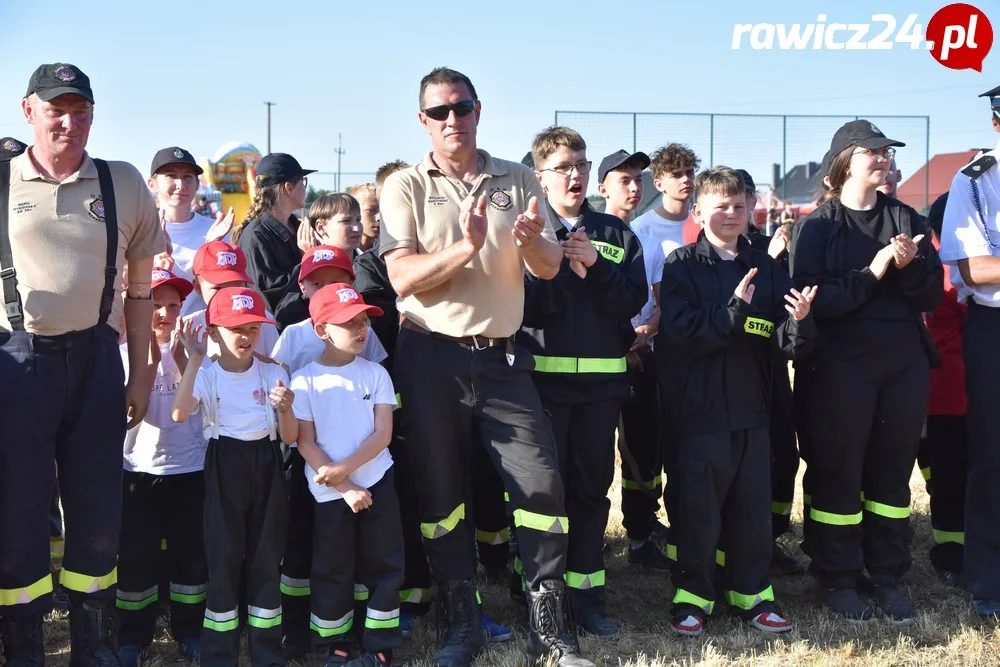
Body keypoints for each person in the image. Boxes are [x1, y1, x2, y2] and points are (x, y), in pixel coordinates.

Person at [379, 67, 591, 667]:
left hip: (502, 359)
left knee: (541, 484)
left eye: (462, 107)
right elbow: (401, 277)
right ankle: (460, 626)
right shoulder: (404, 185)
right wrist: (467, 247)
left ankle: (550, 630)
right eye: (440, 111)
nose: (453, 119)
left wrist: (530, 243)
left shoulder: (520, 177)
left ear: (478, 111)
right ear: (423, 120)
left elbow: (549, 268)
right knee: (442, 495)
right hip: (430, 358)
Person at [0, 63, 164, 664]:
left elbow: (141, 292)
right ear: (28, 111)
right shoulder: (1, 180)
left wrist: (141, 374)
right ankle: (23, 651)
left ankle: (93, 651)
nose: (70, 121)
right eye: (56, 109)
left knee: (97, 513)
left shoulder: (122, 183)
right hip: (17, 365)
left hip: (96, 360)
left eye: (82, 110)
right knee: (18, 512)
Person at [790, 120, 942, 622]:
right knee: (838, 470)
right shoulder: (820, 226)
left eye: (886, 151)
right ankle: (837, 574)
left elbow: (930, 295)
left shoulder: (905, 216)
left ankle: (887, 573)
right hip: (839, 369)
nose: (883, 158)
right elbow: (814, 301)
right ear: (845, 162)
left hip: (902, 365)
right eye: (873, 152)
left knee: (892, 475)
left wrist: (911, 266)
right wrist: (875, 271)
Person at [658, 167, 815, 636]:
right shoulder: (682, 265)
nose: (730, 215)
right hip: (699, 412)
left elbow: (781, 342)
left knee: (751, 507)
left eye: (739, 206)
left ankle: (753, 595)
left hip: (752, 410)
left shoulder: (767, 267)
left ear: (751, 211)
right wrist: (733, 311)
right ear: (699, 210)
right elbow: (684, 331)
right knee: (699, 510)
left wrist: (800, 322)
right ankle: (693, 598)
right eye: (720, 206)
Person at [520, 128, 647, 638]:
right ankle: (539, 597)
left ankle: (588, 596)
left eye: (581, 164)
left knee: (593, 493)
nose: (575, 175)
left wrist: (594, 267)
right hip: (541, 391)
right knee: (543, 495)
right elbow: (526, 309)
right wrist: (566, 272)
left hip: (601, 391)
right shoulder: (528, 232)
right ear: (540, 177)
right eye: (563, 166)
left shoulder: (615, 234)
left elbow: (630, 303)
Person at [269, 244, 387, 657]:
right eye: (317, 282)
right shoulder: (295, 342)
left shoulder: (370, 356)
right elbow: (295, 421)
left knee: (363, 555)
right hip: (315, 470)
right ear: (303, 287)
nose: (327, 287)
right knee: (312, 550)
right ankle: (308, 631)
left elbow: (379, 417)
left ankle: (364, 636)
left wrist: (347, 471)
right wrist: (334, 475)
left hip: (363, 469)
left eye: (336, 280)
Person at [171, 286, 296, 667]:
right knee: (223, 558)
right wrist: (193, 361)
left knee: (265, 557)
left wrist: (287, 409)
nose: (245, 336)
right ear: (212, 333)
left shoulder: (274, 372)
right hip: (224, 462)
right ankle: (219, 655)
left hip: (267, 464)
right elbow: (179, 414)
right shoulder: (208, 375)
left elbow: (289, 437)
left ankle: (267, 654)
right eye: (235, 328)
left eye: (253, 328)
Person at [291, 283, 403, 667]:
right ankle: (332, 643)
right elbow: (305, 442)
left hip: (377, 482)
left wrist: (347, 472)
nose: (361, 329)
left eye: (363, 321)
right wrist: (343, 484)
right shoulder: (304, 379)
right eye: (348, 323)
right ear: (321, 330)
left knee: (385, 563)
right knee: (332, 567)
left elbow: (383, 434)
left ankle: (380, 644)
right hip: (331, 493)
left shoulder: (376, 375)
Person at [116, 268, 207, 666]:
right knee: (137, 556)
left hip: (190, 469)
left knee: (190, 555)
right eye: (155, 305)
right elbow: (132, 416)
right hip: (139, 469)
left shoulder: (198, 352)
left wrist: (187, 358)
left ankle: (188, 629)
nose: (165, 313)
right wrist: (151, 356)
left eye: (173, 305)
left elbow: (199, 407)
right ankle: (134, 633)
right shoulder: (122, 354)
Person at [938, 84, 1000, 618]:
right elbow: (974, 269)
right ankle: (989, 584)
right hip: (994, 325)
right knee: (994, 455)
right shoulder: (975, 180)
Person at [597, 149, 672, 570]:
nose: (633, 187)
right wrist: (619, 345)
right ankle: (586, 537)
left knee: (644, 452)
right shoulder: (589, 234)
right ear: (602, 186)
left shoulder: (649, 239)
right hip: (602, 362)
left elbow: (661, 304)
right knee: (592, 457)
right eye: (623, 179)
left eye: (638, 179)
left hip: (643, 360)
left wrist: (642, 337)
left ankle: (642, 533)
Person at [734, 170, 802, 576]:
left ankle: (773, 535)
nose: (738, 209)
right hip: (739, 372)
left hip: (773, 369)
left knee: (784, 456)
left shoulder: (771, 242)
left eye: (744, 198)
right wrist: (770, 260)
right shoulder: (718, 249)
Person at [919, 192, 968, 587]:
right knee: (954, 478)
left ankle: (952, 553)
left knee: (947, 478)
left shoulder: (929, 263)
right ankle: (952, 555)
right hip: (954, 392)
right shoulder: (952, 267)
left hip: (941, 391)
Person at [148, 146, 232, 316]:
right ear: (152, 184)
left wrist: (211, 249)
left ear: (197, 183)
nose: (181, 184)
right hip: (151, 335)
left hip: (202, 335)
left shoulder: (215, 230)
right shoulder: (139, 230)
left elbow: (228, 290)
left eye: (188, 177)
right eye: (171, 176)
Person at [234, 152, 315, 315]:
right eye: (302, 182)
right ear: (289, 187)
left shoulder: (297, 227)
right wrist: (308, 261)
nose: (305, 189)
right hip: (276, 335)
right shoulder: (256, 235)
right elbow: (272, 303)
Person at [184, 240, 279, 361]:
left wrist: (242, 355)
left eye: (235, 286)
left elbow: (279, 368)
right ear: (197, 286)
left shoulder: (263, 320)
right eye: (218, 288)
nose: (227, 295)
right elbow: (183, 377)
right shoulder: (190, 325)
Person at [632, 144, 700, 253]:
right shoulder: (640, 228)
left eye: (689, 173)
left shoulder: (704, 223)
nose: (686, 179)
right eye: (676, 175)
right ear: (659, 185)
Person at [347, 183, 380, 252]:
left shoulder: (388, 253)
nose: (379, 217)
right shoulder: (337, 254)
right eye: (370, 210)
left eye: (383, 211)